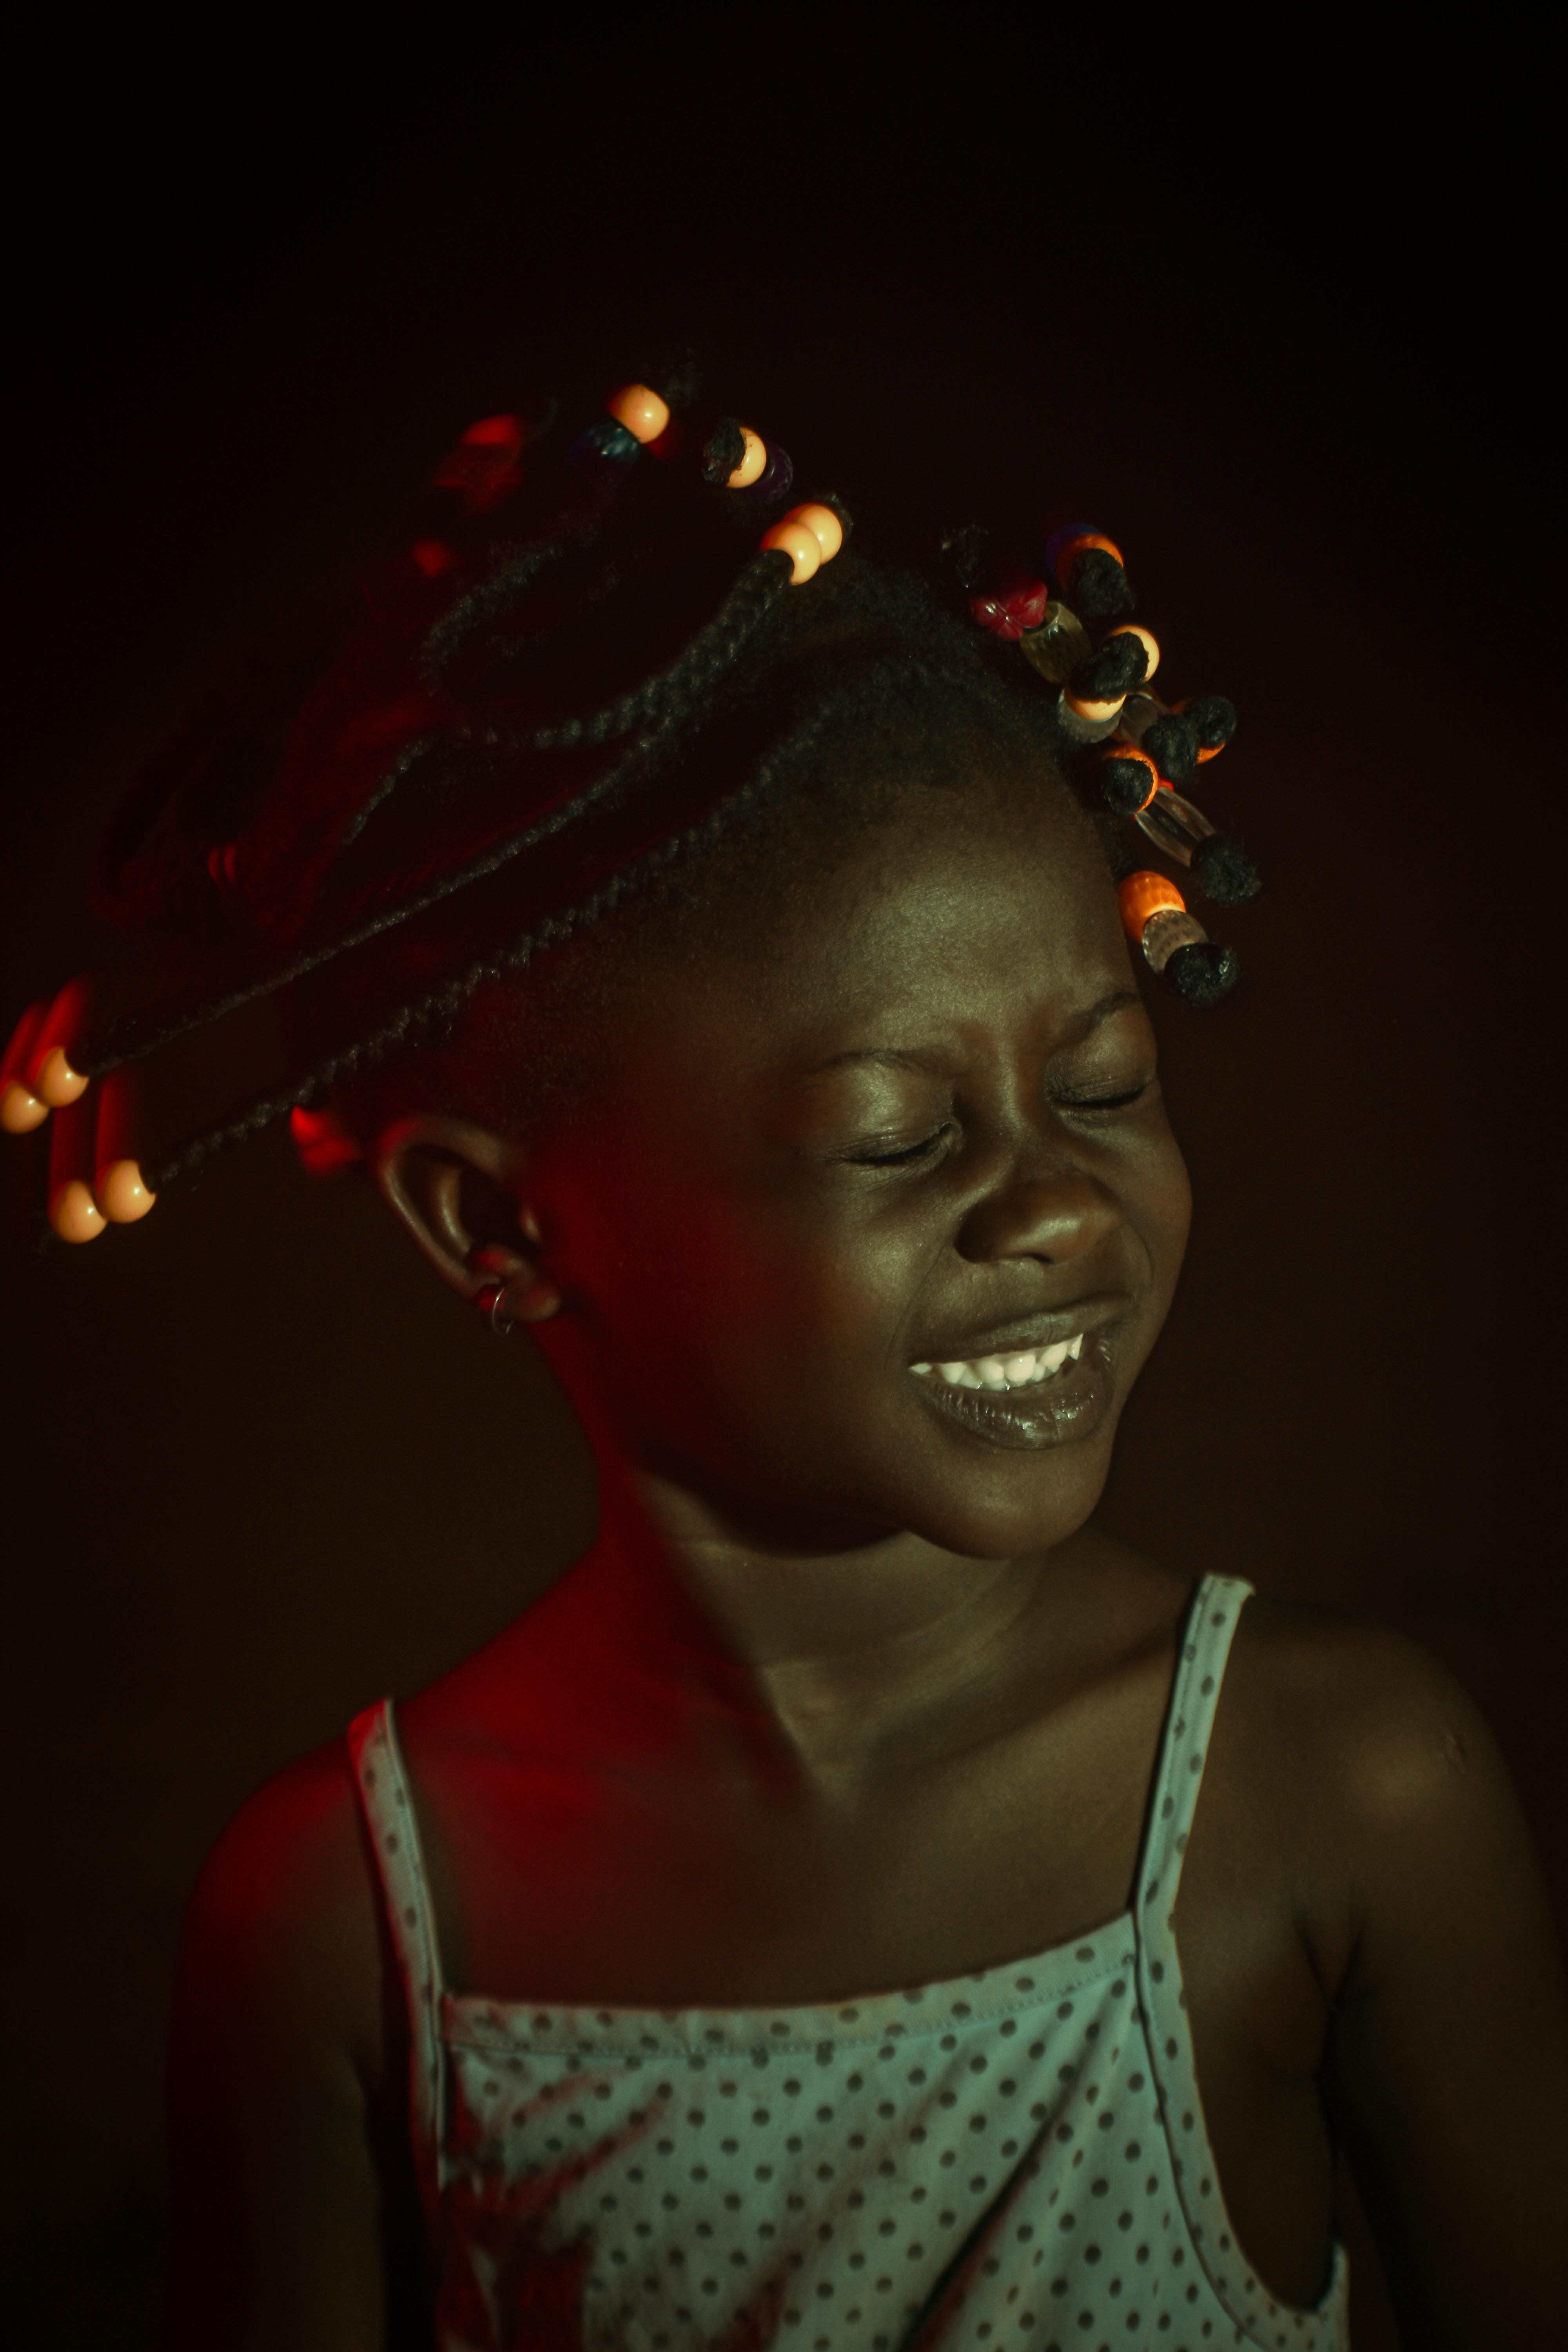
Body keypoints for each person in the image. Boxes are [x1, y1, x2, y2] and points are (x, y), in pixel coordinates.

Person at [7, 363, 1564, 2350]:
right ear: (495, 1226)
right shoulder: (343, 1932)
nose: (1054, 1209)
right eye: (896, 1135)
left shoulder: (1336, 1790)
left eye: (1102, 1085)